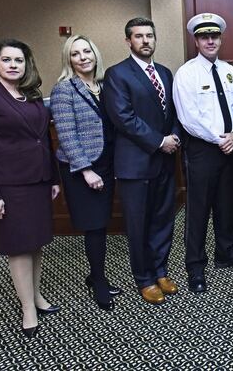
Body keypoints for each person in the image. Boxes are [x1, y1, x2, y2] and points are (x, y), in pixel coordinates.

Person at [0, 39, 61, 338]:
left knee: (36, 243)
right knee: (18, 248)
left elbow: (44, 139)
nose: (13, 65)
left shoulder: (29, 95)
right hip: (9, 186)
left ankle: (37, 297)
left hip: (38, 181)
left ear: (26, 64)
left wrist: (54, 177)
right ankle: (27, 308)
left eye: (18, 60)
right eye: (7, 60)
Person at [173, 12, 233, 294]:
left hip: (228, 148)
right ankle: (195, 267)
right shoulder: (186, 74)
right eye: (204, 36)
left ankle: (226, 253)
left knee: (224, 203)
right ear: (196, 40)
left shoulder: (230, 71)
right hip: (201, 150)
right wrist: (219, 138)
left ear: (221, 38)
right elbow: (188, 118)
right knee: (197, 211)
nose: (210, 40)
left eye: (215, 36)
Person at [103, 17, 181, 305]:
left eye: (150, 35)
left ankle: (160, 270)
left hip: (164, 162)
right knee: (138, 224)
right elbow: (124, 118)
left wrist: (173, 136)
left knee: (163, 219)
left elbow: (173, 113)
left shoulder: (165, 72)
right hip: (135, 165)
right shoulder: (117, 74)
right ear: (128, 41)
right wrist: (160, 141)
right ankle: (144, 279)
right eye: (139, 36)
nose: (145, 40)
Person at [50, 35, 122, 311]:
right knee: (93, 226)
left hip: (105, 163)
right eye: (75, 54)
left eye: (86, 51)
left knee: (101, 223)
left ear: (95, 54)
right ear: (69, 60)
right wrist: (86, 170)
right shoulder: (64, 89)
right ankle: (99, 281)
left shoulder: (104, 86)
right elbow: (66, 136)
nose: (83, 57)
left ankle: (94, 274)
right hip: (82, 169)